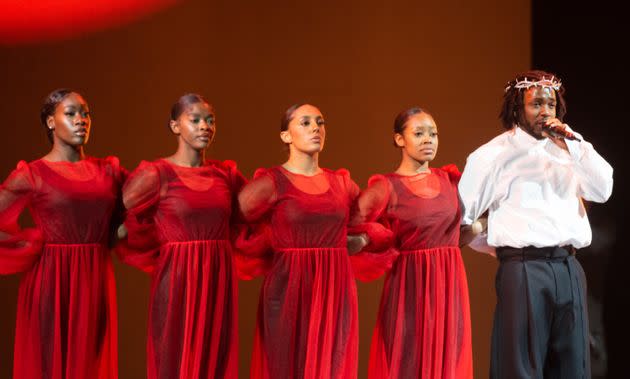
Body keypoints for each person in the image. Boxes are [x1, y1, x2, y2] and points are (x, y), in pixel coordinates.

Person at [458, 70, 614, 378]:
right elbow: (463, 218)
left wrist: (574, 143)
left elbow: (603, 189)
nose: (545, 112)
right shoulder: (492, 155)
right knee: (521, 366)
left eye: (551, 104)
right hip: (525, 268)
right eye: (536, 104)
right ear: (517, 107)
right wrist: (500, 248)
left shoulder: (570, 150)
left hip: (568, 265)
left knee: (573, 365)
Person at [117, 94, 245, 378]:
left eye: (210, 120)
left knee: (216, 359)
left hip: (218, 278)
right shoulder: (157, 174)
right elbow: (115, 213)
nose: (205, 126)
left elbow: (252, 215)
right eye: (195, 119)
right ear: (175, 126)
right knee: (175, 358)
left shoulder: (225, 175)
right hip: (177, 279)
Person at [0, 89, 123, 378]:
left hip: (95, 279)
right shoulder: (33, 173)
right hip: (50, 281)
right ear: (51, 122)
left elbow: (132, 216)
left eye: (86, 113)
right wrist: (28, 244)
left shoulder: (107, 171)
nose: (82, 120)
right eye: (71, 113)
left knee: (90, 365)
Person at [237, 104, 361, 378]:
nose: (316, 127)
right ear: (286, 136)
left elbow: (367, 221)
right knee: (285, 366)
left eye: (320, 121)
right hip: (288, 285)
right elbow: (235, 218)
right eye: (305, 123)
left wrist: (357, 241)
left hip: (334, 288)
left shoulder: (340, 183)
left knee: (332, 365)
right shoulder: (273, 181)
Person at [350, 107, 474, 378]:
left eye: (433, 134)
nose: (428, 139)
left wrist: (478, 227)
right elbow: (353, 222)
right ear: (399, 140)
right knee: (408, 359)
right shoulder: (387, 186)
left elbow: (459, 231)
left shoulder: (450, 180)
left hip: (449, 285)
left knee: (448, 360)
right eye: (418, 133)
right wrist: (366, 237)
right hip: (410, 286)